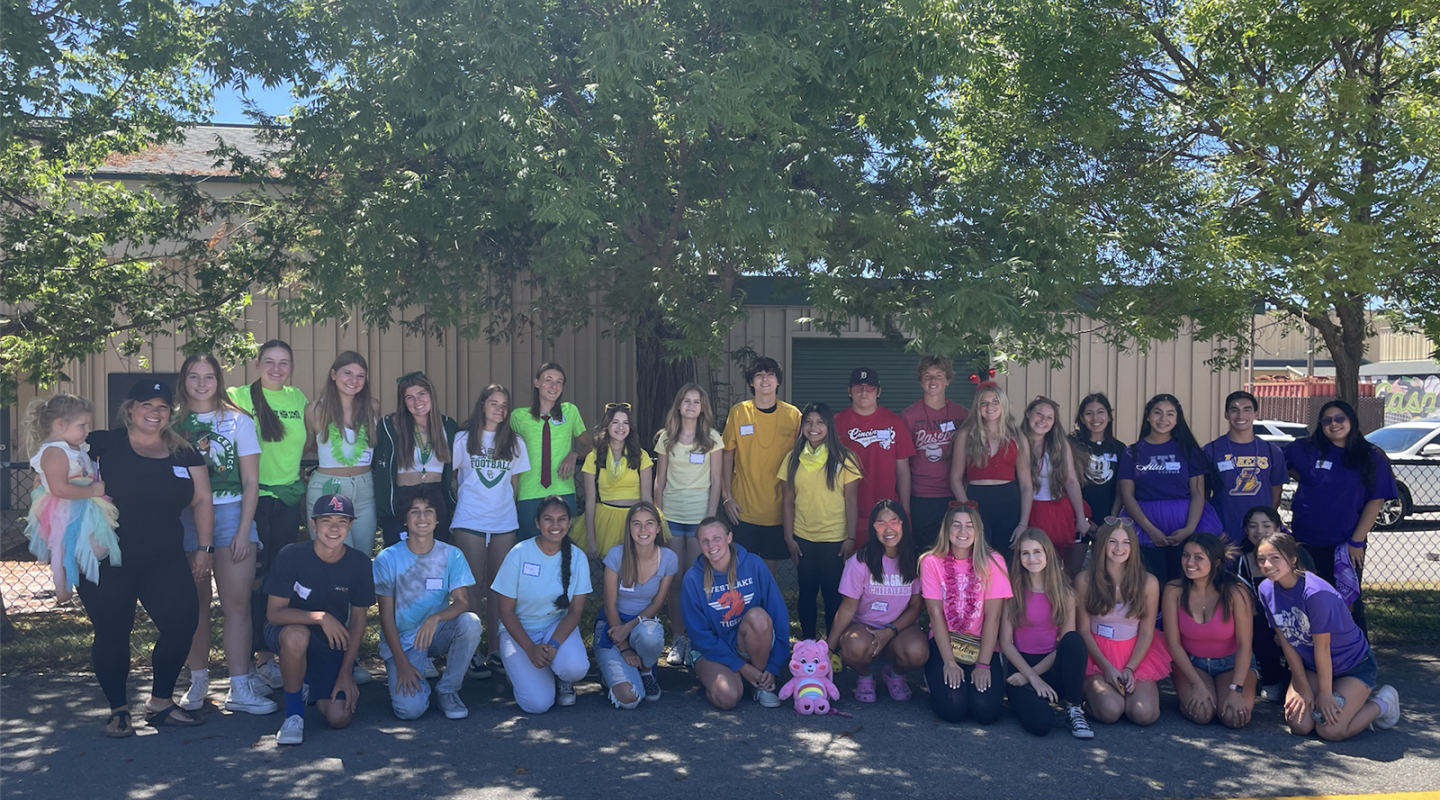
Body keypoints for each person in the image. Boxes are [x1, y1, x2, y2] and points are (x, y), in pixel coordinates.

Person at [82, 379, 212, 737]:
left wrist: (204, 548)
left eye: (162, 407)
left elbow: (202, 500)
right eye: (146, 405)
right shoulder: (101, 443)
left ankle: (160, 703)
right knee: (112, 632)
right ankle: (118, 710)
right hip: (108, 558)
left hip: (164, 558)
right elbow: (53, 465)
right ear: (130, 409)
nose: (154, 413)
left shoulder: (184, 452)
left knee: (183, 621)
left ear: (170, 413)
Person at [172, 354, 274, 715]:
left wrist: (244, 530)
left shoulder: (238, 420)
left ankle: (240, 686)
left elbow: (250, 481)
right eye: (194, 376)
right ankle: (197, 681)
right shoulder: (170, 422)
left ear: (219, 380)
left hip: (232, 516)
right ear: (184, 380)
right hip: (186, 519)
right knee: (193, 606)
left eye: (209, 377)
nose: (202, 384)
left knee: (237, 606)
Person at [1256, 531, 1401, 739]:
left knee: (1330, 730)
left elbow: (1322, 647)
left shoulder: (1315, 593)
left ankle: (1382, 703)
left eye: (1274, 558)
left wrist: (1324, 694)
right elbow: (1288, 642)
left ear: (1293, 558)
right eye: (1261, 560)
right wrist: (1303, 686)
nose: (1267, 565)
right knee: (1300, 725)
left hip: (1352, 667)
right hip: (1313, 667)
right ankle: (1332, 697)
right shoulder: (1265, 589)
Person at [228, 340, 308, 693]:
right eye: (270, 362)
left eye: (284, 363)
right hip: (254, 499)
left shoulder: (298, 399)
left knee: (280, 580)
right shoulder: (239, 396)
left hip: (288, 499)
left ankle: (272, 655)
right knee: (251, 582)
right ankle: (251, 661)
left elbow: (304, 442)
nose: (277, 369)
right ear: (257, 363)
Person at [264, 494, 376, 745]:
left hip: (329, 641)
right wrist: (319, 617)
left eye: (342, 521)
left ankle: (306, 680)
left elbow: (358, 620)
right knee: (297, 635)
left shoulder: (358, 563)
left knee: (339, 718)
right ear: (313, 525)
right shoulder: (291, 555)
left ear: (350, 526)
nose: (334, 528)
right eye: (326, 520)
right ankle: (294, 714)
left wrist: (346, 672)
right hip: (287, 630)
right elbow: (274, 613)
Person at [1283, 400, 1397, 635]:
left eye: (1339, 418)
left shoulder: (1371, 456)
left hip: (1345, 545)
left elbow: (1376, 501)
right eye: (1327, 420)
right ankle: (1315, 662)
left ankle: (1356, 662)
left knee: (1347, 603)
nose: (1333, 424)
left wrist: (1356, 541)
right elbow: (1277, 464)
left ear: (1352, 421)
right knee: (1309, 603)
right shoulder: (1306, 449)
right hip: (1304, 543)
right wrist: (1300, 475)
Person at [373, 486, 482, 721]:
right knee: (410, 711)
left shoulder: (452, 555)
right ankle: (409, 671)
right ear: (405, 519)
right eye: (415, 512)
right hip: (404, 642)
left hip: (436, 632)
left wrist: (436, 617)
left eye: (428, 511)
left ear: (437, 518)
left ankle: (448, 690)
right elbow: (386, 617)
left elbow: (462, 603)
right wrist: (402, 663)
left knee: (470, 622)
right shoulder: (386, 559)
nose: (422, 518)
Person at [450, 384, 530, 681]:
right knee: (472, 586)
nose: (498, 409)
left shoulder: (514, 442)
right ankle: (470, 652)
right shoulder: (462, 439)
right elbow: (457, 479)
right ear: (481, 404)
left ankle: (496, 649)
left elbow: (515, 486)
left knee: (500, 588)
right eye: (493, 403)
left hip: (503, 522)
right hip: (469, 519)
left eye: (504, 405)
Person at [492, 495, 592, 713]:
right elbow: (505, 611)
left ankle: (561, 678)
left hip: (554, 629)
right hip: (519, 632)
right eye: (548, 519)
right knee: (537, 704)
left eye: (562, 519)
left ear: (569, 522)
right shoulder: (519, 553)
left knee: (575, 668)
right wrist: (529, 649)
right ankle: (522, 671)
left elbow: (574, 612)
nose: (555, 525)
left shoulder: (578, 558)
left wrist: (554, 646)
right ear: (537, 523)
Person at [681, 516, 791, 710]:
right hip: (711, 652)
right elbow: (700, 636)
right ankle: (723, 677)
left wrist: (774, 667)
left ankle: (760, 683)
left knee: (758, 616)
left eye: (717, 538)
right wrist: (739, 666)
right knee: (727, 697)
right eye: (704, 541)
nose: (711, 545)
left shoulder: (754, 565)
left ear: (729, 537)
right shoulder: (692, 578)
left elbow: (778, 615)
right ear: (699, 544)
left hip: (746, 644)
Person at [825, 500, 926, 703]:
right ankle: (865, 676)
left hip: (899, 628)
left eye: (894, 522)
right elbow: (847, 607)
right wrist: (828, 648)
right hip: (864, 628)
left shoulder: (914, 560)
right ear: (874, 528)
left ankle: (894, 674)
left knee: (918, 653)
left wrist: (890, 631)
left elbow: (916, 607)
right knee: (853, 649)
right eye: (881, 523)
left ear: (903, 525)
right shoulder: (859, 562)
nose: (888, 529)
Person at [22, 393, 117, 606]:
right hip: (64, 506)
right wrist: (93, 490)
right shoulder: (55, 452)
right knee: (64, 543)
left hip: (84, 502)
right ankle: (62, 584)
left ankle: (79, 579)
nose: (87, 431)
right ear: (60, 424)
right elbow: (59, 489)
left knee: (87, 544)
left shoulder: (76, 448)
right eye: (82, 425)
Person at [920, 502, 1010, 725]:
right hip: (945, 644)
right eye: (956, 525)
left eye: (969, 526)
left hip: (982, 645)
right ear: (946, 529)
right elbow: (935, 614)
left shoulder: (994, 561)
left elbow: (993, 617)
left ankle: (973, 681)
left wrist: (983, 665)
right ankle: (934, 675)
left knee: (985, 711)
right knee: (953, 708)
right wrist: (949, 662)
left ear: (978, 530)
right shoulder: (931, 561)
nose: (963, 531)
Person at [1075, 519, 1171, 726]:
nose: (1119, 548)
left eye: (1126, 542)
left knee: (1144, 714)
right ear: (1102, 544)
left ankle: (1127, 691)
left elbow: (1147, 632)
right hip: (1097, 654)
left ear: (1133, 547)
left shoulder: (1149, 582)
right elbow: (1082, 629)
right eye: (1113, 541)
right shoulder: (1084, 580)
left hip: (1134, 652)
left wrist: (1130, 668)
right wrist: (1107, 667)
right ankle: (1089, 698)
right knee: (1111, 711)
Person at [653, 383, 723, 666]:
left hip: (698, 519)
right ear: (679, 405)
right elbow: (660, 480)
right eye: (687, 401)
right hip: (671, 516)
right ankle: (678, 638)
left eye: (697, 401)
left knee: (697, 581)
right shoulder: (666, 438)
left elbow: (716, 481)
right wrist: (657, 515)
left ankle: (698, 637)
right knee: (674, 579)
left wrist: (709, 519)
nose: (692, 406)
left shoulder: (713, 439)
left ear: (703, 408)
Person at [1117, 394, 1222, 582]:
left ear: (1176, 419)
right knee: (1149, 581)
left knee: (1183, 582)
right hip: (1144, 526)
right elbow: (1127, 495)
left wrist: (1189, 529)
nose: (1163, 419)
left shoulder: (1189, 450)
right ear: (1148, 416)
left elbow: (1198, 493)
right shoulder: (1131, 452)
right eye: (1157, 413)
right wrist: (1150, 530)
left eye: (1170, 414)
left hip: (1185, 524)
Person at [779, 402, 861, 640]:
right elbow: (787, 500)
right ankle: (808, 644)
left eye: (820, 422)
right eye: (808, 422)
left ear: (829, 426)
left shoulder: (845, 458)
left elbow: (851, 500)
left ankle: (833, 647)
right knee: (806, 594)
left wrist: (851, 537)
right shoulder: (792, 458)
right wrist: (788, 537)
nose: (813, 427)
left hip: (834, 539)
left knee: (833, 596)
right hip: (803, 538)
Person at [1000, 528, 1092, 738]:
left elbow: (1066, 644)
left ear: (1048, 554)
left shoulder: (1065, 593)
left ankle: (1074, 708)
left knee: (1074, 640)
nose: (1031, 558)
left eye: (1037, 552)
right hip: (1020, 671)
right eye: (1025, 553)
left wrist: (1036, 677)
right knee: (1041, 725)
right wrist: (1030, 678)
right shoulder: (1012, 591)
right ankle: (1033, 701)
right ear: (1019, 557)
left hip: (1051, 666)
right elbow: (1005, 642)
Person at [1161, 533, 1257, 728]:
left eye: (1198, 557)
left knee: (1233, 717)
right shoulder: (1174, 590)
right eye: (1185, 555)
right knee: (1202, 713)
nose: (1189, 562)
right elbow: (1173, 643)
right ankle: (1196, 693)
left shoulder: (1235, 592)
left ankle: (1224, 690)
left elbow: (1245, 644)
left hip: (1231, 663)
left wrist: (1236, 690)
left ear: (1216, 562)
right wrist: (1197, 683)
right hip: (1191, 662)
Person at [721, 356, 803, 569]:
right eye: (759, 375)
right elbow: (726, 455)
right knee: (739, 571)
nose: (765, 379)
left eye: (770, 375)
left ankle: (765, 605)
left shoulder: (793, 415)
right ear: (751, 382)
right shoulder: (738, 413)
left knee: (769, 574)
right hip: (743, 510)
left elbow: (802, 459)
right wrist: (726, 496)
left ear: (778, 381)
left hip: (777, 510)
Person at [597, 502, 678, 708]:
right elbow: (609, 604)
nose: (643, 530)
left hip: (641, 625)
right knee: (630, 699)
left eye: (649, 523)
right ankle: (613, 671)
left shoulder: (668, 558)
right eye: (637, 524)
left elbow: (658, 602)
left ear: (658, 528)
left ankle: (646, 670)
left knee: (649, 634)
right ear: (629, 528)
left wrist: (629, 627)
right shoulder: (616, 555)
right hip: (611, 626)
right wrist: (624, 647)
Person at [1235, 505, 1314, 702]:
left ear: (1278, 528)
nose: (1259, 531)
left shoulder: (1298, 554)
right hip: (1264, 620)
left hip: (1297, 618)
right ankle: (1271, 679)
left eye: (1266, 525)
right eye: (1253, 526)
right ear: (1246, 531)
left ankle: (1303, 675)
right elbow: (1245, 600)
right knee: (1255, 627)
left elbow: (1309, 598)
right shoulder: (1243, 560)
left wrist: (1287, 628)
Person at [305, 351, 381, 554]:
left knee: (363, 554)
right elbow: (308, 445)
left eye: (360, 375)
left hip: (365, 487)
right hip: (328, 487)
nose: (353, 380)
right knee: (332, 553)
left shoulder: (372, 407)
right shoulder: (315, 410)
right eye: (347, 373)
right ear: (333, 374)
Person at [373, 371, 458, 548]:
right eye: (409, 397)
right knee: (402, 557)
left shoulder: (448, 426)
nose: (417, 402)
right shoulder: (391, 425)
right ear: (403, 402)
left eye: (421, 394)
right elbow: (378, 465)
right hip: (404, 497)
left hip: (436, 497)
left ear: (431, 395)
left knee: (436, 555)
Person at [949, 382, 1032, 560]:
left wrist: (1023, 523)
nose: (990, 406)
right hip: (977, 502)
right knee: (978, 559)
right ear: (977, 407)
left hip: (1009, 503)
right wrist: (968, 511)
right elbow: (955, 478)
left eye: (995, 401)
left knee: (1006, 560)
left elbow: (1026, 484)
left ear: (1003, 404)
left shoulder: (1017, 437)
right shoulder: (966, 435)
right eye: (984, 402)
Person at [835, 368, 915, 549]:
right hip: (845, 514)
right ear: (849, 391)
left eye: (870, 387)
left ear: (878, 392)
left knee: (885, 570)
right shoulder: (837, 422)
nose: (864, 392)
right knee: (850, 572)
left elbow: (903, 471)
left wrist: (906, 511)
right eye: (858, 387)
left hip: (886, 515)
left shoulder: (893, 422)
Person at [510, 363, 588, 541]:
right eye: (548, 380)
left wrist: (574, 454)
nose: (554, 386)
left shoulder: (570, 412)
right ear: (536, 383)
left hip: (563, 491)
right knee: (529, 549)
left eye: (559, 382)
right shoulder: (517, 417)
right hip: (528, 493)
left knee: (565, 549)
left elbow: (589, 446)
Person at [900, 357, 967, 550]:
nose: (933, 381)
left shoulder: (962, 414)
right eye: (928, 376)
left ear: (948, 380)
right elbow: (902, 464)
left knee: (954, 550)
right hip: (921, 496)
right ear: (921, 381)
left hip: (953, 495)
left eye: (939, 376)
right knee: (924, 552)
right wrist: (906, 506)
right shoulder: (909, 416)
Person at [1203, 391, 1287, 545]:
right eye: (1234, 410)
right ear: (1226, 414)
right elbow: (1204, 494)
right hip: (1224, 530)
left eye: (1247, 410)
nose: (1240, 415)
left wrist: (1264, 524)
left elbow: (1276, 493)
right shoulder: (1211, 450)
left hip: (1260, 534)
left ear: (1256, 413)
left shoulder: (1271, 451)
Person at [575, 403, 658, 558]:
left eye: (625, 423)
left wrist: (649, 525)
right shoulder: (594, 456)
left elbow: (647, 497)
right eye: (615, 422)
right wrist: (590, 539)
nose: (621, 427)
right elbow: (590, 500)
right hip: (606, 521)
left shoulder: (641, 455)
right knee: (611, 571)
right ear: (607, 426)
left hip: (635, 518)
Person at [1022, 397, 1090, 577]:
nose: (1043, 420)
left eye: (1049, 417)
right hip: (1025, 509)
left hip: (1055, 509)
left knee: (1056, 567)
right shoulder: (1015, 440)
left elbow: (1071, 481)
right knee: (1028, 564)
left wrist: (1081, 518)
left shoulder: (1059, 444)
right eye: (1039, 414)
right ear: (1028, 413)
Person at [1071, 393, 1125, 529]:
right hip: (1076, 518)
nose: (1095, 418)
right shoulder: (1071, 444)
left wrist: (1112, 517)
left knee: (1103, 551)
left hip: (1108, 519)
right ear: (1082, 419)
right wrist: (1082, 517)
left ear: (1109, 416)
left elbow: (1121, 488)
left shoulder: (1119, 448)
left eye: (1100, 412)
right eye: (1089, 413)